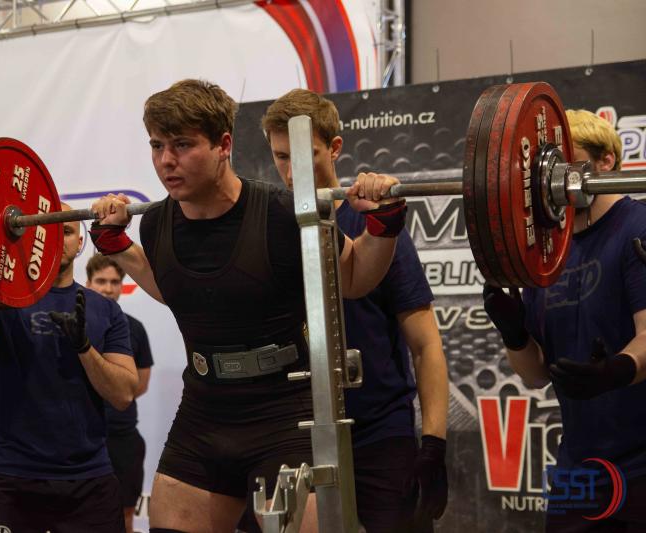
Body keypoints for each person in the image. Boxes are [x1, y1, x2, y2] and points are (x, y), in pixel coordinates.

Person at [89, 79, 405, 533]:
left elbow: (353, 278)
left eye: (182, 145)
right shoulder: (156, 222)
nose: (165, 160)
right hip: (204, 412)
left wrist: (383, 225)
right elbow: (173, 289)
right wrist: (118, 247)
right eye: (157, 145)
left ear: (223, 145)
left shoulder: (280, 214)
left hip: (284, 413)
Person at [257, 88, 450, 532]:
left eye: (305, 155)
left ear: (335, 148)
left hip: (382, 434)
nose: (292, 171)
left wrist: (434, 446)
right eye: (282, 157)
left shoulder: (374, 225)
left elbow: (425, 345)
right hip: (299, 433)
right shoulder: (271, 231)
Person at [484, 109, 646, 531]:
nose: (552, 183)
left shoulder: (638, 226)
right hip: (579, 466)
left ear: (605, 162)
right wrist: (514, 334)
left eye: (565, 166)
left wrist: (616, 370)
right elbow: (536, 375)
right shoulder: (546, 252)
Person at [0, 203, 138, 533]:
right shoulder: (3, 297)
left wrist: (84, 348)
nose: (56, 237)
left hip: (87, 479)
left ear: (80, 242)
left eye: (66, 231)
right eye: (46, 229)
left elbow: (123, 394)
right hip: (10, 474)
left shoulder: (106, 310)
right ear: (30, 237)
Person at [86, 253, 154, 533]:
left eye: (114, 282)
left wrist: (112, 389)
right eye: (101, 281)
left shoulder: (134, 328)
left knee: (124, 518)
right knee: (76, 518)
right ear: (88, 284)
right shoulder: (73, 325)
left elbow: (140, 384)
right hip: (81, 435)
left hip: (122, 437)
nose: (107, 288)